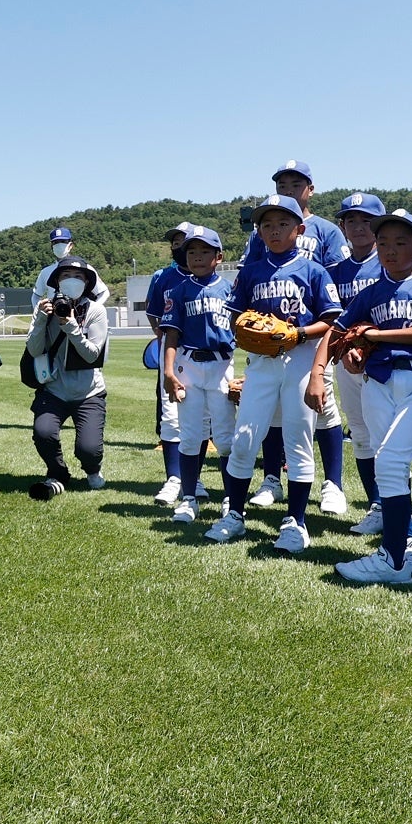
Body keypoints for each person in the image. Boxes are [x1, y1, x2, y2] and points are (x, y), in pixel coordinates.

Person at [325, 211, 412, 586]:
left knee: (390, 462)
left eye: (401, 243)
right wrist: (342, 354)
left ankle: (392, 559)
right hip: (378, 382)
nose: (390, 251)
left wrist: (375, 336)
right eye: (383, 243)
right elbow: (339, 330)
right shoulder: (371, 292)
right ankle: (409, 547)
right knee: (394, 467)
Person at [205, 195, 343, 554]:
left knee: (298, 440)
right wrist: (249, 327)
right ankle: (234, 515)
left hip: (300, 358)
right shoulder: (251, 270)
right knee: (246, 437)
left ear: (299, 229)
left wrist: (298, 334)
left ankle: (295, 523)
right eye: (267, 224)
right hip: (263, 363)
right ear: (259, 232)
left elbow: (330, 320)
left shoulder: (314, 270)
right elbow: (236, 317)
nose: (274, 230)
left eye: (283, 224)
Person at [243, 161, 352, 513]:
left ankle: (332, 483)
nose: (288, 187)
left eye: (296, 182)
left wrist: (327, 331)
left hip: (313, 336)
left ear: (311, 188)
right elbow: (253, 274)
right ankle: (272, 478)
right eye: (282, 182)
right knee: (274, 412)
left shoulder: (325, 231)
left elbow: (335, 280)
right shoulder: (262, 232)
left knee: (322, 409)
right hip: (269, 341)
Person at [159, 226, 235, 523]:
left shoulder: (230, 290)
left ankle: (231, 498)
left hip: (220, 365)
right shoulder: (178, 291)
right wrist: (168, 370)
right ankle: (189, 498)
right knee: (190, 435)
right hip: (187, 364)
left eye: (205, 251)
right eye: (192, 251)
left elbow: (244, 331)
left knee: (226, 437)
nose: (198, 257)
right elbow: (171, 335)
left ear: (219, 257)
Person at [325, 193, 389, 532]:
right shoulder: (334, 271)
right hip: (346, 362)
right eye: (351, 220)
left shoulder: (393, 262)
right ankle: (377, 505)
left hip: (385, 360)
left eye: (367, 220)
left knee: (388, 438)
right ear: (342, 227)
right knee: (361, 433)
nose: (359, 227)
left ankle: (396, 506)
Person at [25, 257, 111, 499]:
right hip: (54, 389)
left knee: (89, 449)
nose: (71, 281)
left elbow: (92, 354)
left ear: (86, 283)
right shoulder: (44, 308)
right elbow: (34, 350)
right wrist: (43, 318)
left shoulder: (96, 311)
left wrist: (71, 326)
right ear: (57, 282)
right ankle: (57, 472)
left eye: (78, 277)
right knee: (43, 433)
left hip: (89, 391)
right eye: (65, 276)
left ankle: (93, 469)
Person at [147, 224, 194, 505]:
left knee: (204, 416)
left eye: (183, 240)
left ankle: (194, 478)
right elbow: (154, 314)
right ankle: (174, 478)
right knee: (171, 415)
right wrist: (164, 339)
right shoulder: (164, 276)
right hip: (173, 347)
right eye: (174, 241)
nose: (178, 245)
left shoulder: (215, 280)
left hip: (205, 351)